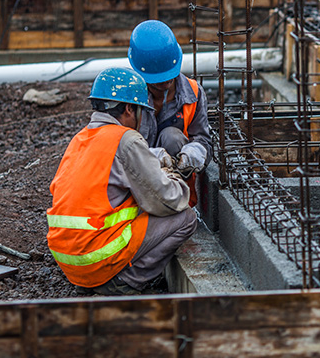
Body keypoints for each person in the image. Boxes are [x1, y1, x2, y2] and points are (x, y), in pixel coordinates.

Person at [47, 67, 197, 296]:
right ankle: (125, 282)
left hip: (68, 260)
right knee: (185, 217)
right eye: (140, 112)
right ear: (129, 109)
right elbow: (169, 200)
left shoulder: (80, 139)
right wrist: (174, 176)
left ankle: (98, 277)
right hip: (94, 257)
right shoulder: (124, 139)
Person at [127, 20, 212, 207]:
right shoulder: (128, 96)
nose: (166, 84)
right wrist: (147, 157)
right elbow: (114, 145)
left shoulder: (193, 93)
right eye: (158, 81)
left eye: (168, 78)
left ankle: (177, 202)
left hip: (175, 182)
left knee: (172, 137)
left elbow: (203, 138)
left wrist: (195, 152)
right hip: (134, 178)